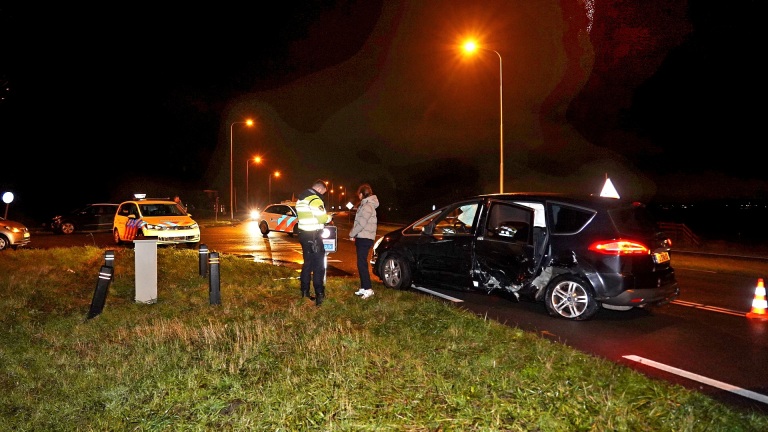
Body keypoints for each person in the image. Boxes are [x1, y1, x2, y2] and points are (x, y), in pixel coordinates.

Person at [296, 179, 332, 305]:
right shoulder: (315, 200)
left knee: (307, 264)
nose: (323, 194)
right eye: (324, 192)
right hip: (315, 236)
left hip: (304, 235)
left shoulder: (301, 199)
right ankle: (320, 296)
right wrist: (329, 217)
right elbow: (322, 218)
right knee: (318, 267)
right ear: (320, 189)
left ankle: (304, 293)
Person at [349, 183, 379, 299]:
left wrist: (352, 233)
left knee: (362, 263)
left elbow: (361, 223)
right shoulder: (366, 205)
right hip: (363, 237)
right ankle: (363, 287)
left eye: (359, 194)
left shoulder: (367, 206)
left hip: (364, 237)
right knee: (360, 262)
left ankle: (368, 288)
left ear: (361, 194)